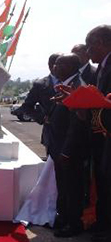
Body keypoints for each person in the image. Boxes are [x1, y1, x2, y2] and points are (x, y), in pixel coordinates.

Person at [48, 54, 88, 238]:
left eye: (59, 64)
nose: (54, 66)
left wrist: (67, 150)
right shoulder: (67, 84)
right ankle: (63, 219)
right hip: (59, 147)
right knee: (63, 187)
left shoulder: (77, 86)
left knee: (72, 188)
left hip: (69, 149)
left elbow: (76, 124)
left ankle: (74, 224)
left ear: (70, 66)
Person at [85, 24, 111, 242]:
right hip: (101, 135)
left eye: (89, 46)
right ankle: (102, 223)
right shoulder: (100, 68)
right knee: (103, 180)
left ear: (101, 43)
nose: (87, 52)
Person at [14, 53, 61, 154]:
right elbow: (26, 107)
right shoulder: (40, 85)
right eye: (61, 63)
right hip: (51, 133)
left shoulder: (73, 81)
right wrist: (42, 118)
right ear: (51, 65)